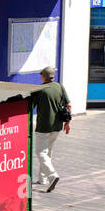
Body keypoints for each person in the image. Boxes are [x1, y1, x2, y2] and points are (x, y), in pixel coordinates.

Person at [32, 65, 71, 193]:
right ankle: (42, 179)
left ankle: (52, 176)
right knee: (48, 152)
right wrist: (67, 123)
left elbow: (30, 107)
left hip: (44, 126)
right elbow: (68, 105)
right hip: (57, 126)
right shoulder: (59, 86)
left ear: (44, 77)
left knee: (40, 152)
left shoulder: (41, 90)